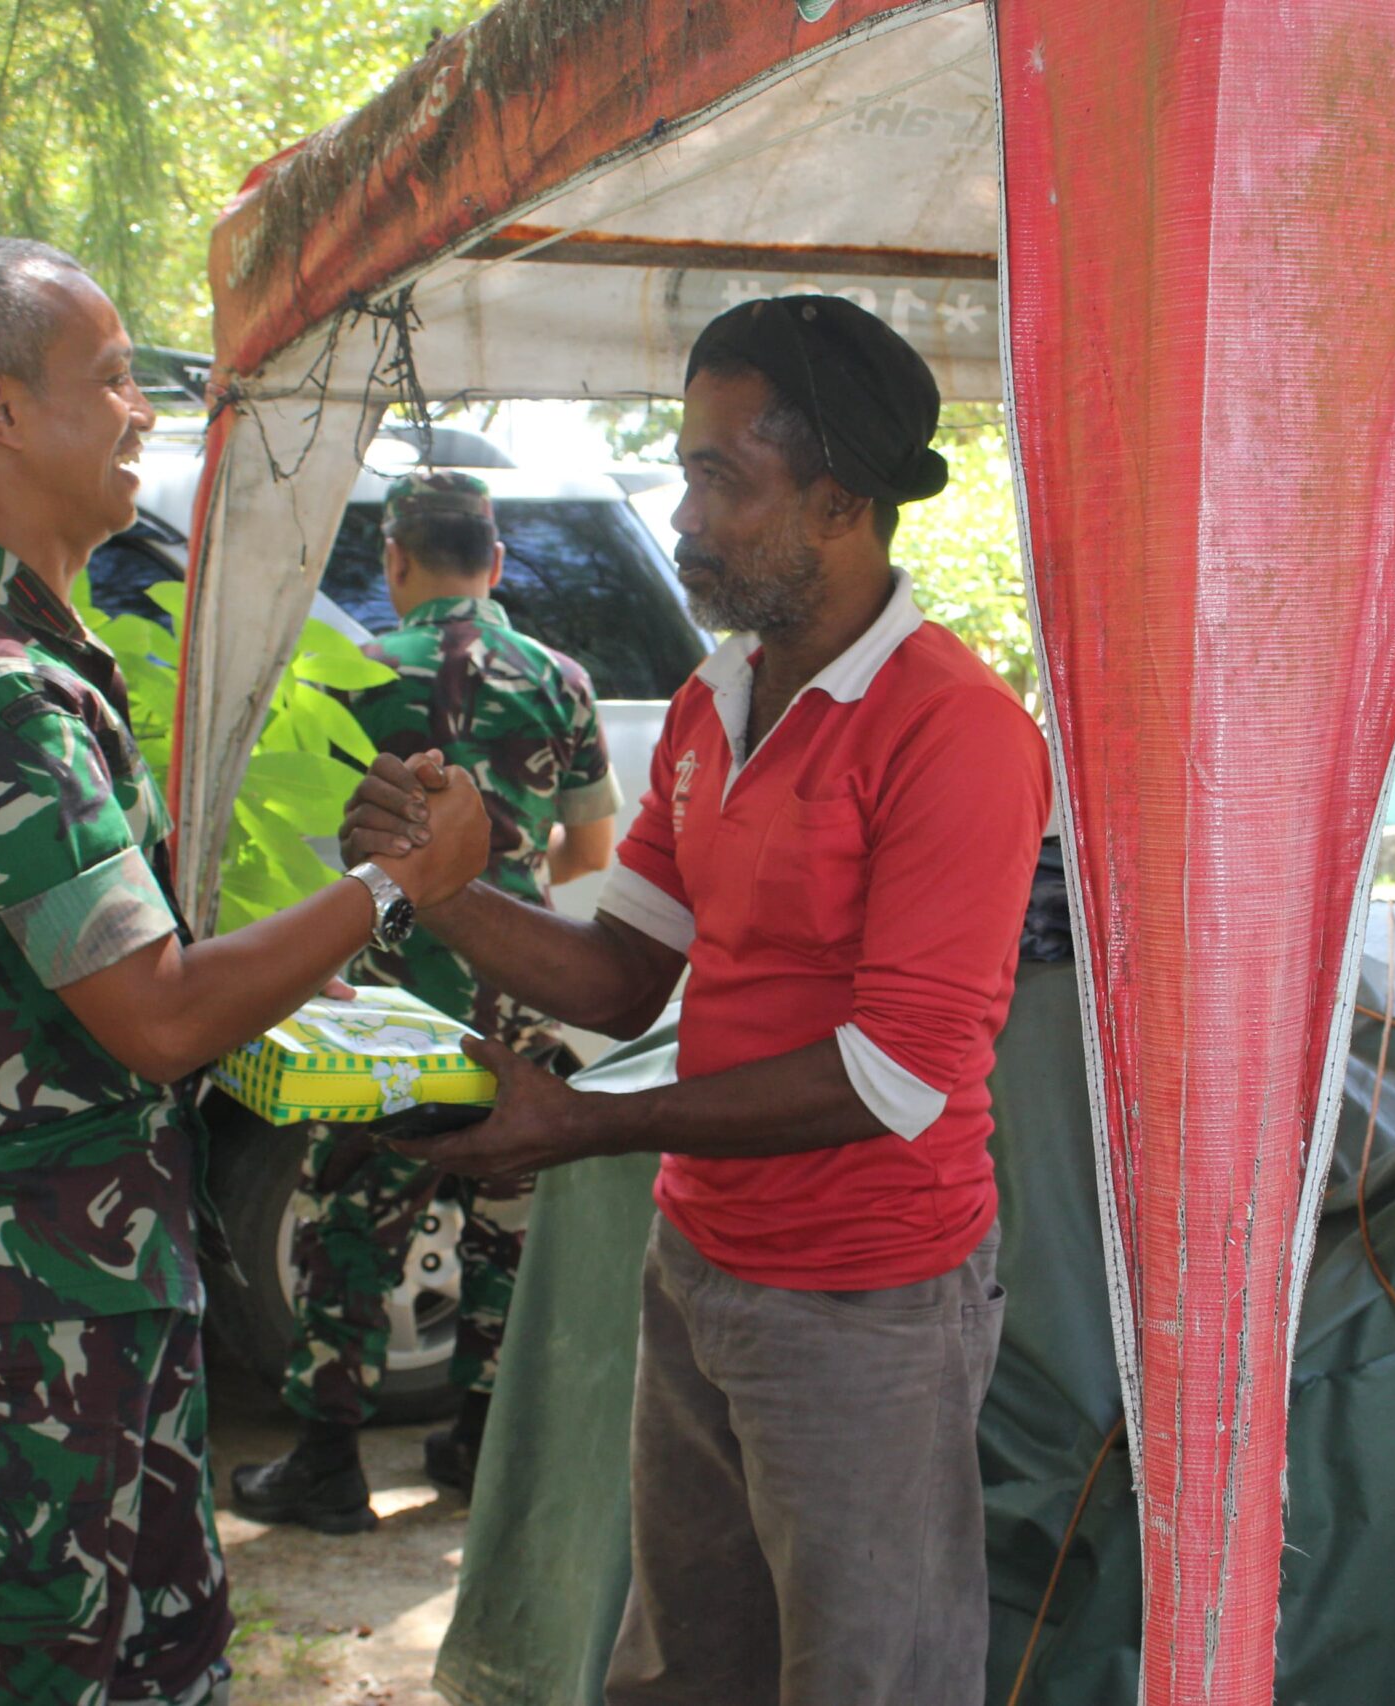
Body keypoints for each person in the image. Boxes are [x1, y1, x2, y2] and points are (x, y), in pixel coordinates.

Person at [344, 295, 1052, 1706]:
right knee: (683, 1669)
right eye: (687, 468)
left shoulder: (956, 732)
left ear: (841, 499)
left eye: (722, 477)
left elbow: (896, 1073)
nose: (683, 514)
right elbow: (623, 971)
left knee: (870, 1680)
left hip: (866, 1302)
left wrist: (586, 1125)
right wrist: (437, 883)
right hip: (701, 1267)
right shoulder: (713, 698)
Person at [0, 237, 488, 1706]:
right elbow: (161, 1011)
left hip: (76, 1257)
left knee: (158, 1650)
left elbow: (147, 968)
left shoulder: (15, 638)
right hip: (22, 1280)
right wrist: (391, 887)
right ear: (0, 411)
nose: (144, 411)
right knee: (46, 1668)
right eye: (113, 378)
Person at [230, 470, 618, 1531]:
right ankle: (479, 1439)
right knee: (508, 1221)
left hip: (391, 1002)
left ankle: (325, 1461)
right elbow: (590, 846)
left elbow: (306, 837)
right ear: (493, 563)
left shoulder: (352, 671)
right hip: (518, 997)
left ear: (394, 561)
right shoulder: (560, 678)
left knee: (351, 1217)